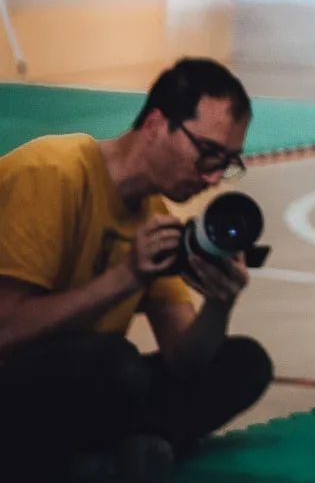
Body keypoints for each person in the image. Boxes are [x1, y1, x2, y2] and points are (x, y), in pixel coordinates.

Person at [0, 58, 272, 483]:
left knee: (242, 364)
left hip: (79, 386)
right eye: (208, 154)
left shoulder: (153, 214)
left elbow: (184, 362)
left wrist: (220, 303)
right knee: (116, 366)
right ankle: (110, 454)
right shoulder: (52, 173)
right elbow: (7, 329)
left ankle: (109, 456)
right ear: (155, 125)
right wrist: (127, 277)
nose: (214, 177)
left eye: (228, 163)